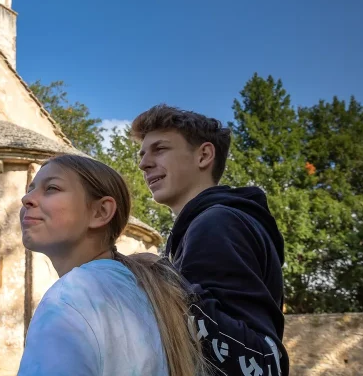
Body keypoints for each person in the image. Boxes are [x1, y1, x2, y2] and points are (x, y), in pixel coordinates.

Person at [131, 104, 288, 376]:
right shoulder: (216, 222)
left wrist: (157, 277)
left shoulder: (214, 224)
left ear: (203, 155)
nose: (143, 163)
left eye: (160, 149)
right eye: (142, 154)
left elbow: (260, 360)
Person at [17, 154, 208, 376]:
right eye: (31, 188)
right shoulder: (143, 290)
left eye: (51, 188)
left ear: (101, 212)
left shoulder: (71, 297)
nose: (26, 198)